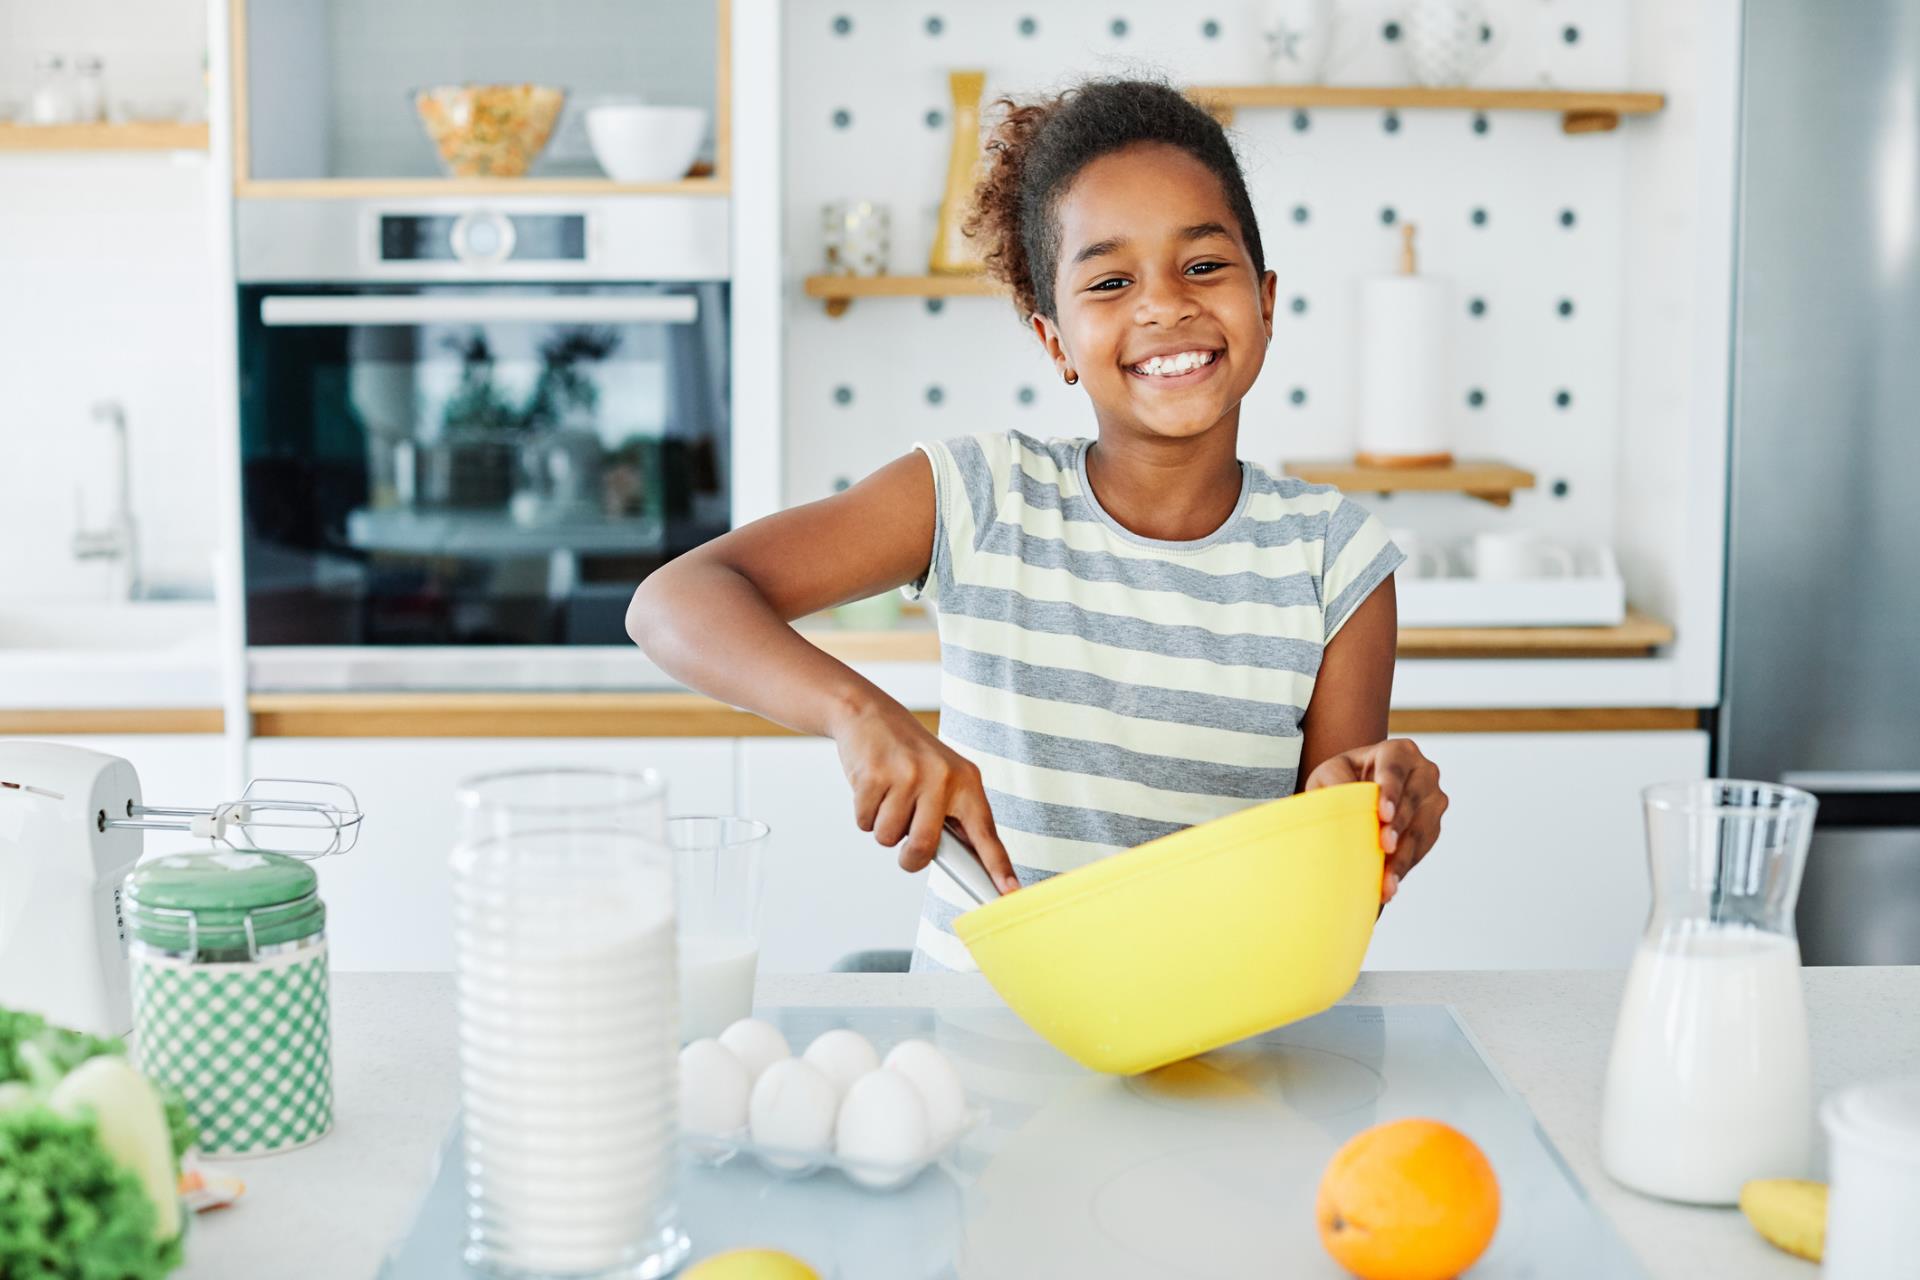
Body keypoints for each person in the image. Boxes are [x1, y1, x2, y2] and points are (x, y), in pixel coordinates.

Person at [630, 76, 1448, 973]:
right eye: (1109, 280)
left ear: (1266, 299)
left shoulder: (1336, 558)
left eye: (1205, 265)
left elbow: (1324, 912)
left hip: (1224, 1065)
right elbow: (674, 602)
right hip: (979, 1057)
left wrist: (1368, 821)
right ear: (1054, 339)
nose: (1164, 304)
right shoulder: (980, 497)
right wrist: (858, 712)